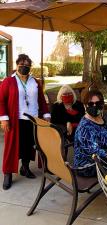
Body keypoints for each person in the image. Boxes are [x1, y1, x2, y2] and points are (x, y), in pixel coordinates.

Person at [0, 54, 50, 190]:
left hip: (33, 119)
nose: (24, 67)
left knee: (28, 145)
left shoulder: (35, 82)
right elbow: (1, 101)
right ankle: (8, 174)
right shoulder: (8, 82)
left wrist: (46, 114)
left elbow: (41, 100)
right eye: (22, 64)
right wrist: (4, 118)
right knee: (11, 148)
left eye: (27, 65)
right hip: (15, 120)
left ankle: (25, 168)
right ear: (16, 65)